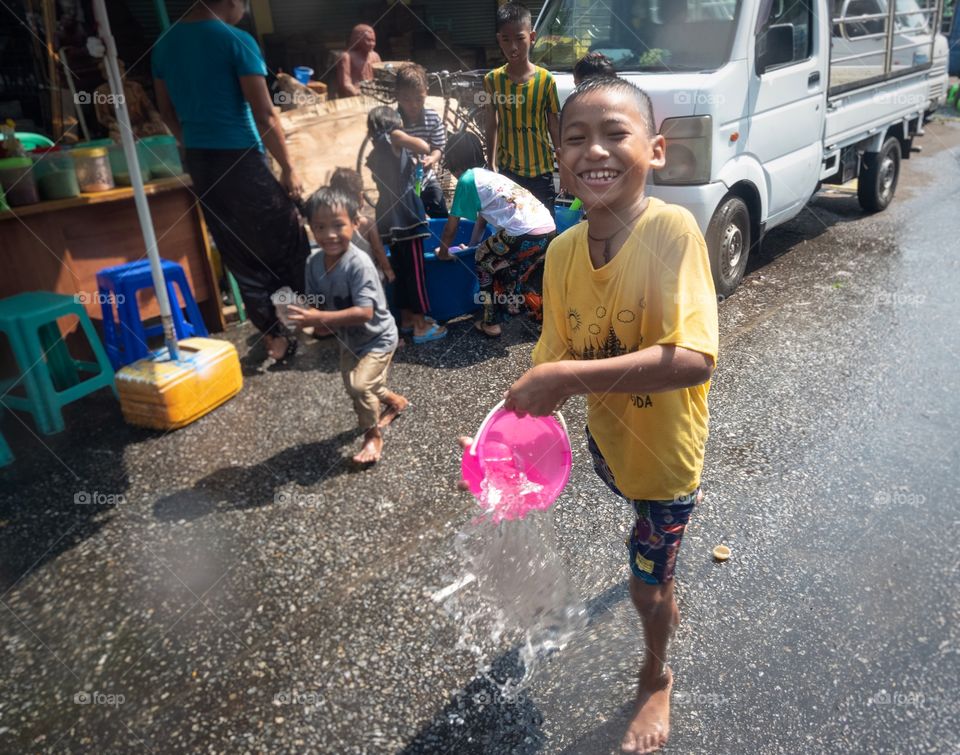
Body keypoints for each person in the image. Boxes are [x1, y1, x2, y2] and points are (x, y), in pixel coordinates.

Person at [469, 77, 719, 754]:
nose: (595, 150)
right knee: (641, 547)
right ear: (559, 162)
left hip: (666, 464)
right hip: (611, 448)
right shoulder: (558, 254)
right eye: (575, 138)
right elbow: (551, 361)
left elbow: (694, 358)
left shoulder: (672, 231)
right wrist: (502, 435)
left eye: (616, 133)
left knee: (646, 585)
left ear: (657, 150)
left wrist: (567, 376)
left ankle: (654, 673)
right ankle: (655, 567)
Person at [152, 0, 309, 362]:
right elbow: (264, 112)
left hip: (201, 162)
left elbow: (166, 112)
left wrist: (192, 140)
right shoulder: (235, 40)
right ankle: (319, 319)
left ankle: (273, 337)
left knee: (236, 249)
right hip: (240, 158)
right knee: (290, 236)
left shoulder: (164, 43)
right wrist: (289, 168)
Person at [288, 187, 407, 464]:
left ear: (356, 223)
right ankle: (396, 401)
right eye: (320, 226)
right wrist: (299, 313)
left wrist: (319, 319)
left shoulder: (359, 264)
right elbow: (315, 302)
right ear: (310, 227)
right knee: (354, 386)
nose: (329, 234)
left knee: (360, 386)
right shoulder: (313, 262)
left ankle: (372, 436)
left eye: (338, 225)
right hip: (349, 340)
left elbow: (365, 312)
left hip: (378, 337)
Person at [437, 131, 555, 337]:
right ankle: (543, 320)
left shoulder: (466, 179)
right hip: (547, 228)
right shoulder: (490, 176)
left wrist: (444, 253)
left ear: (454, 161)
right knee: (525, 275)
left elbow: (450, 227)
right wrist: (473, 243)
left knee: (483, 259)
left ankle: (491, 322)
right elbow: (482, 219)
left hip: (522, 232)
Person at [365, 106, 446, 343]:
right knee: (416, 274)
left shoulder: (374, 152)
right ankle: (422, 326)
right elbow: (423, 146)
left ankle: (407, 320)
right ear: (391, 123)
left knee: (401, 271)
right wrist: (407, 139)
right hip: (406, 215)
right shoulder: (394, 136)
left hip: (388, 216)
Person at [483, 2, 561, 216]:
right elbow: (492, 122)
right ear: (499, 39)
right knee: (513, 227)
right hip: (509, 172)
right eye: (506, 40)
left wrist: (562, 163)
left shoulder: (546, 80)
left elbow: (553, 123)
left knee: (545, 227)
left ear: (532, 37)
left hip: (542, 171)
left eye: (520, 38)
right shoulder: (492, 81)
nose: (513, 47)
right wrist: (491, 163)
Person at [394, 63, 448, 218]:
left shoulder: (432, 118)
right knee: (405, 220)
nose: (413, 105)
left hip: (426, 178)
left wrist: (432, 158)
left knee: (440, 210)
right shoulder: (393, 121)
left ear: (426, 93)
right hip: (400, 184)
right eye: (407, 99)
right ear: (397, 95)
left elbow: (438, 146)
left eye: (419, 99)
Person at [329, 167, 395, 284]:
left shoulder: (332, 225)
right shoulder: (367, 223)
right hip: (368, 277)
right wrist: (388, 269)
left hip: (344, 277)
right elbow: (378, 249)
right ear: (361, 197)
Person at [94, 59, 170, 140]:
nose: (119, 75)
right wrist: (117, 126)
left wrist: (155, 119)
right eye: (113, 73)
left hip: (144, 125)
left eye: (121, 71)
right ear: (105, 75)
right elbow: (104, 117)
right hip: (121, 129)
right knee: (118, 138)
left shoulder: (134, 86)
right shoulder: (101, 91)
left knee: (164, 128)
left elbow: (149, 107)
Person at [336, 24, 381, 98]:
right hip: (354, 97)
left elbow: (381, 78)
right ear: (358, 40)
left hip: (373, 96)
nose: (371, 44)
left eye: (373, 40)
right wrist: (357, 94)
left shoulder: (375, 56)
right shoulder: (346, 57)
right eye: (368, 40)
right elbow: (346, 84)